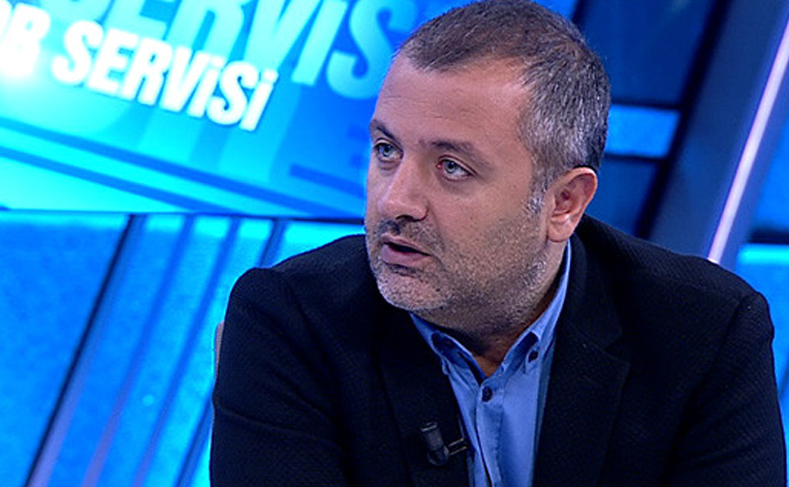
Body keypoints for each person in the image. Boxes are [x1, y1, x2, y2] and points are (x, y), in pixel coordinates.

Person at [210, 0, 787, 485]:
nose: (395, 202)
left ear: (564, 203)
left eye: (452, 167)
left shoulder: (703, 332)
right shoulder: (291, 320)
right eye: (387, 151)